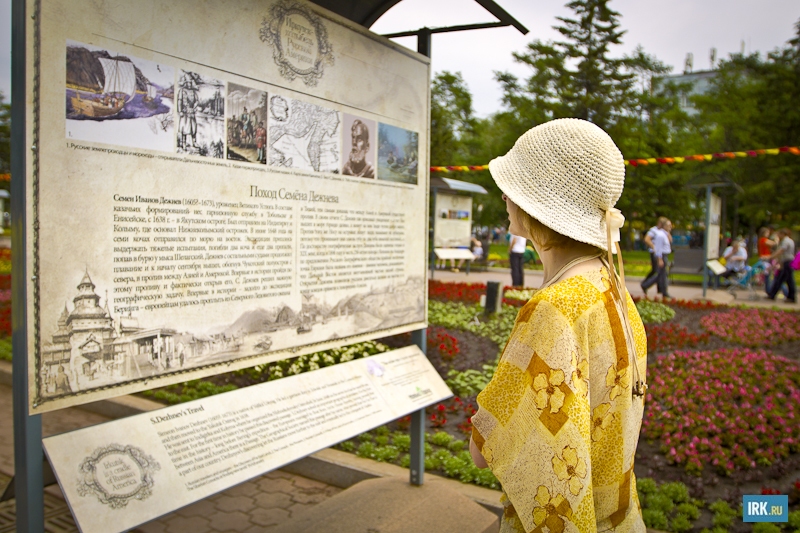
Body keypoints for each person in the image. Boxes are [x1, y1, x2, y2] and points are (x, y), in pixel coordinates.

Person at [469, 119, 647, 533]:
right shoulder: (612, 286)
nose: (504, 194)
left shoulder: (556, 307)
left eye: (515, 184)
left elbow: (485, 448)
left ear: (534, 204)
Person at [640, 219, 672, 298]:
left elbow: (670, 241)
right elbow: (658, 248)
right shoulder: (659, 235)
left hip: (663, 254)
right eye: (668, 225)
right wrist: (660, 259)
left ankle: (662, 290)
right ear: (663, 225)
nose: (670, 227)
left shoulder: (664, 234)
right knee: (660, 273)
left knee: (661, 273)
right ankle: (646, 285)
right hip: (661, 255)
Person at [767, 228, 796, 303]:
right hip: (786, 262)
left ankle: (790, 297)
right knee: (784, 279)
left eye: (779, 234)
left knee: (785, 279)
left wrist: (771, 257)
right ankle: (773, 294)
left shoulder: (786, 241)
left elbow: (781, 251)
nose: (778, 236)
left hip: (787, 262)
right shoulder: (788, 241)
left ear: (783, 234)